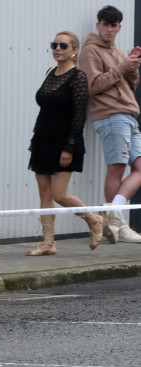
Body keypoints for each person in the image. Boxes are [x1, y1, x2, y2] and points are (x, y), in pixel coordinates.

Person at [26, 31, 105, 256]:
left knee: (59, 194)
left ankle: (94, 219)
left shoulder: (78, 77)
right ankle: (48, 243)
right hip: (42, 139)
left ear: (74, 50)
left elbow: (80, 114)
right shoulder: (51, 73)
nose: (57, 49)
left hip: (64, 142)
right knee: (44, 193)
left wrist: (69, 147)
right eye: (54, 45)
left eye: (63, 45)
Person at [80, 5, 141, 244]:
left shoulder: (116, 50)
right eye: (104, 24)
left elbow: (128, 87)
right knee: (116, 168)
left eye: (113, 25)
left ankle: (112, 211)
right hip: (111, 115)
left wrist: (132, 66)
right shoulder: (90, 51)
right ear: (98, 25)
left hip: (128, 115)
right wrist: (121, 67)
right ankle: (117, 224)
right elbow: (93, 86)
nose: (108, 29)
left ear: (119, 28)